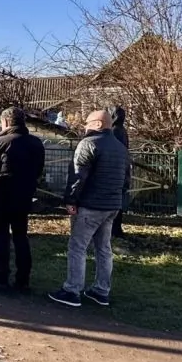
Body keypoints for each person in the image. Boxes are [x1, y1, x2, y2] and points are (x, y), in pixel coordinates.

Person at [48, 110, 130, 308]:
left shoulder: (89, 144)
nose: (84, 126)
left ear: (99, 124)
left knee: (77, 247)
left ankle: (72, 290)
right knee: (104, 249)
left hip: (90, 205)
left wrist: (70, 200)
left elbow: (78, 176)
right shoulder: (121, 148)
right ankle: (101, 291)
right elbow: (126, 180)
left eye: (88, 122)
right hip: (111, 206)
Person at [0, 108, 46, 292]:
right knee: (21, 236)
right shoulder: (36, 143)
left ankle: (1, 277)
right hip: (24, 195)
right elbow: (39, 170)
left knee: (1, 237)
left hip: (1, 195)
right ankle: (23, 279)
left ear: (6, 122)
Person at [108, 105, 130, 238]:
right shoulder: (122, 130)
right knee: (118, 201)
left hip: (115, 170)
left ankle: (114, 229)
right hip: (123, 170)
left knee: (114, 202)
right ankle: (116, 229)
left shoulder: (114, 131)